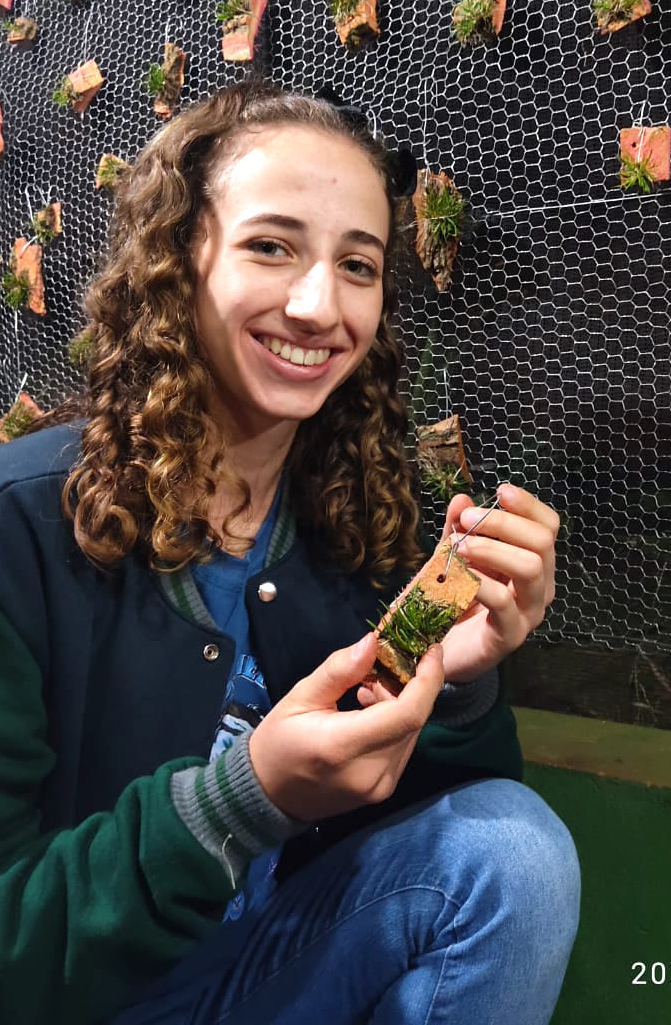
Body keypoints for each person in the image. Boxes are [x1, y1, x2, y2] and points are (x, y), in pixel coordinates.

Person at [0, 81, 581, 1025]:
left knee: (511, 851)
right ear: (180, 260)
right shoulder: (21, 528)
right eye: (272, 247)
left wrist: (457, 682)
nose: (319, 306)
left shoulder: (356, 518)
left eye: (358, 265)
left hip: (266, 976)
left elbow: (427, 833)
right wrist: (240, 802)